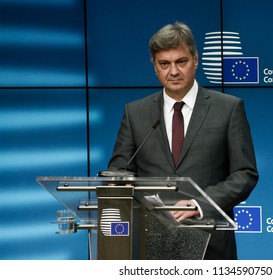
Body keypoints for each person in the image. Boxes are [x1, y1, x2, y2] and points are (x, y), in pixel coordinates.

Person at [106, 21, 258, 259]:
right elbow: (119, 170)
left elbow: (244, 174)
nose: (173, 71)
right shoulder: (135, 113)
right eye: (164, 64)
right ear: (154, 67)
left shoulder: (228, 108)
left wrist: (199, 203)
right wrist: (116, 183)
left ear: (195, 60)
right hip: (151, 245)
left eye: (181, 62)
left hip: (210, 244)